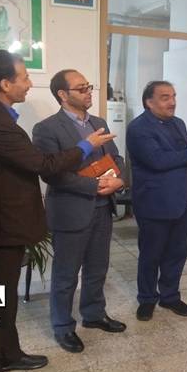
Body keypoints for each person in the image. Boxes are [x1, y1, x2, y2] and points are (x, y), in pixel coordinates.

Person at [0, 51, 114, 372]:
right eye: (25, 77)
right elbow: (44, 165)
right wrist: (86, 145)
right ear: (5, 84)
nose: (30, 83)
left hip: (8, 224)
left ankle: (8, 353)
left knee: (4, 299)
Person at [32, 70, 127, 354]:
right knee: (66, 275)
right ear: (63, 94)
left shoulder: (98, 122)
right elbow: (52, 174)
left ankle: (94, 314)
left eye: (89, 86)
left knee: (98, 268)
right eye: (81, 88)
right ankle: (63, 327)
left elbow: (116, 158)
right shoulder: (46, 128)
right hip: (70, 210)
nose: (88, 92)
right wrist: (94, 185)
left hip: (103, 208)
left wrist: (119, 180)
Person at [126, 81, 187, 321]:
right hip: (153, 203)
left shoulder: (178, 123)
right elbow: (158, 161)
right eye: (165, 97)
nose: (172, 102)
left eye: (174, 96)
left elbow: (186, 164)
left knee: (176, 253)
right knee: (151, 255)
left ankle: (170, 296)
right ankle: (147, 299)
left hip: (180, 201)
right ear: (149, 102)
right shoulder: (138, 128)